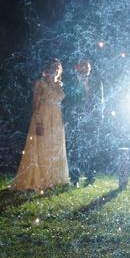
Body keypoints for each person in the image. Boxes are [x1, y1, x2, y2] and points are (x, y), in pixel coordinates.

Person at [13, 59, 70, 191]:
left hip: (57, 119)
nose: (56, 69)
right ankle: (43, 179)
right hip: (43, 118)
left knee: (55, 148)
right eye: (53, 67)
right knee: (43, 148)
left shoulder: (60, 84)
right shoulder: (40, 83)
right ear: (48, 68)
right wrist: (38, 122)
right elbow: (35, 105)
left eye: (58, 67)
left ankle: (55, 179)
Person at [64, 59, 104, 186]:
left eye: (86, 66)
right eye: (82, 66)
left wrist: (99, 117)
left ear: (90, 68)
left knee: (91, 149)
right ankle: (74, 179)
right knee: (74, 150)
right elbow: (68, 101)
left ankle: (90, 177)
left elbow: (101, 101)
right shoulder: (72, 82)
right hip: (76, 120)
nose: (84, 69)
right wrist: (70, 118)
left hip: (92, 120)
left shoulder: (97, 82)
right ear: (77, 67)